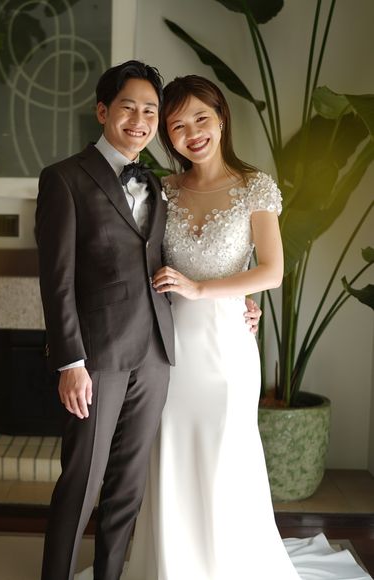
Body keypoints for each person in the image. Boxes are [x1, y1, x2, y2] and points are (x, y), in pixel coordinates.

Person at [120, 75, 372, 580]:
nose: (192, 133)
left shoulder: (254, 186)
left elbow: (272, 271)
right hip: (170, 345)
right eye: (177, 125)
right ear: (167, 136)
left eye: (201, 118)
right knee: (171, 448)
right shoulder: (163, 191)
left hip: (226, 346)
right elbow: (140, 264)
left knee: (225, 451)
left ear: (221, 118)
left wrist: (208, 291)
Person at [36, 61, 261, 580]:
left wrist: (243, 299)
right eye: (128, 108)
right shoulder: (63, 179)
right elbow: (56, 279)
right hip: (97, 357)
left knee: (129, 488)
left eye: (150, 111)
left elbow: (183, 258)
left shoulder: (162, 186)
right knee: (81, 482)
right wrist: (70, 362)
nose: (139, 120)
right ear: (103, 111)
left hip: (159, 354)